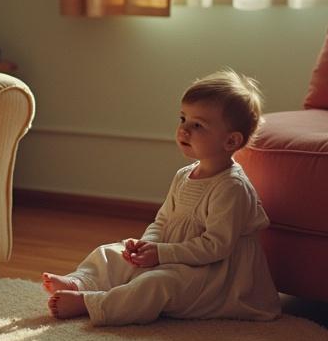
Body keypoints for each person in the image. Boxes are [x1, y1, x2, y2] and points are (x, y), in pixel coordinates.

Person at [42, 69, 280, 326]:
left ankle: (92, 303)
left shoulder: (231, 188)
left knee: (156, 284)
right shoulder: (184, 175)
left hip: (214, 275)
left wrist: (162, 254)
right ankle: (81, 282)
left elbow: (215, 247)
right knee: (111, 252)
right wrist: (146, 245)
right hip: (174, 255)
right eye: (182, 119)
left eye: (197, 125)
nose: (183, 130)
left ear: (231, 141)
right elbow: (163, 220)